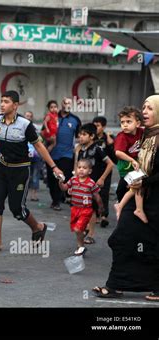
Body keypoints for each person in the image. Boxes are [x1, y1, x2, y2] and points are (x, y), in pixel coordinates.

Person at [93, 95, 159, 302]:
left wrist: (145, 183)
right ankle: (116, 285)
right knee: (121, 238)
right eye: (144, 107)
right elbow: (125, 163)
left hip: (155, 199)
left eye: (150, 108)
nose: (145, 111)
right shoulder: (141, 136)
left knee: (153, 244)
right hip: (136, 195)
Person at [0, 91, 63, 252]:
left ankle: (38, 227)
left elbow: (39, 146)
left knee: (17, 209)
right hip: (1, 168)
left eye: (6, 102)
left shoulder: (25, 124)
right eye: (1, 101)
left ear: (15, 105)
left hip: (19, 171)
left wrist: (54, 167)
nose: (2, 104)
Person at [75, 123, 114, 244]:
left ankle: (91, 234)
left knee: (90, 209)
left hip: (94, 185)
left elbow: (110, 164)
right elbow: (79, 166)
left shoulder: (97, 149)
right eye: (80, 134)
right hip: (83, 184)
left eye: (84, 134)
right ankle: (87, 228)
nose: (80, 137)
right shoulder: (81, 150)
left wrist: (102, 179)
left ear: (92, 136)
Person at [58, 159, 103, 256]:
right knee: (76, 229)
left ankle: (81, 247)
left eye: (84, 168)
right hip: (75, 208)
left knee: (78, 229)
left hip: (86, 210)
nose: (81, 170)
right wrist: (60, 182)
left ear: (90, 171)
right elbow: (64, 188)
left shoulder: (91, 183)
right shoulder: (73, 180)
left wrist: (100, 207)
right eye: (79, 167)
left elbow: (97, 197)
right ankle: (83, 234)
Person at [47, 98, 82, 211]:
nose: (67, 105)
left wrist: (77, 150)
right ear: (60, 104)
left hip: (67, 154)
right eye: (64, 103)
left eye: (69, 103)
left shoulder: (75, 119)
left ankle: (60, 198)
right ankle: (55, 200)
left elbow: (79, 137)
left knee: (63, 177)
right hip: (52, 153)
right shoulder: (52, 117)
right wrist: (49, 141)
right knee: (52, 179)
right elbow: (44, 133)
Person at [113, 107, 146, 223]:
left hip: (135, 164)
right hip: (126, 165)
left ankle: (124, 205)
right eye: (122, 122)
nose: (125, 125)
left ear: (138, 123)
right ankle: (135, 208)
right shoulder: (122, 136)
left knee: (134, 186)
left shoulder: (142, 132)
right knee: (135, 186)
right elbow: (118, 152)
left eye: (128, 122)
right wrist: (132, 160)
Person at [92, 116, 116, 228]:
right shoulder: (92, 137)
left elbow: (114, 160)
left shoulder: (109, 139)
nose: (95, 128)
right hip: (93, 170)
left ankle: (103, 215)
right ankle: (96, 214)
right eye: (94, 125)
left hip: (106, 170)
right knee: (94, 192)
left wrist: (111, 145)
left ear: (104, 127)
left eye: (98, 126)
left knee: (104, 193)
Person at [25, 111, 43, 201]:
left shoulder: (36, 128)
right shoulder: (21, 127)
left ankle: (34, 194)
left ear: (32, 118)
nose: (28, 117)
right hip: (25, 155)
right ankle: (25, 193)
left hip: (35, 155)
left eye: (30, 116)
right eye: (27, 116)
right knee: (26, 175)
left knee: (35, 175)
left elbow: (40, 140)